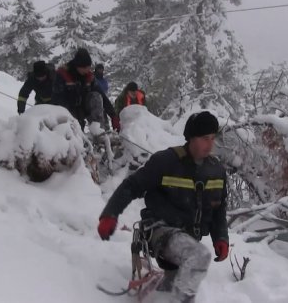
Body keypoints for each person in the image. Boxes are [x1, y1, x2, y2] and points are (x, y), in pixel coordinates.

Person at [97, 111, 229, 303]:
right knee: (199, 255)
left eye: (212, 138)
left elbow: (219, 210)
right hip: (159, 231)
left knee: (172, 286)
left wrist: (221, 237)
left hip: (187, 240)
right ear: (191, 138)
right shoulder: (166, 161)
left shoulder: (217, 171)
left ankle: (158, 294)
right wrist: (110, 214)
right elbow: (131, 186)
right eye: (204, 138)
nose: (209, 144)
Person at [53, 48, 118, 130]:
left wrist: (113, 115)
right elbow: (57, 99)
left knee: (95, 96)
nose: (88, 70)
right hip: (68, 109)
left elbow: (101, 94)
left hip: (84, 107)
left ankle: (99, 131)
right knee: (77, 131)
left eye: (89, 67)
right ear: (78, 66)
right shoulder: (63, 75)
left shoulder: (89, 77)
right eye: (85, 67)